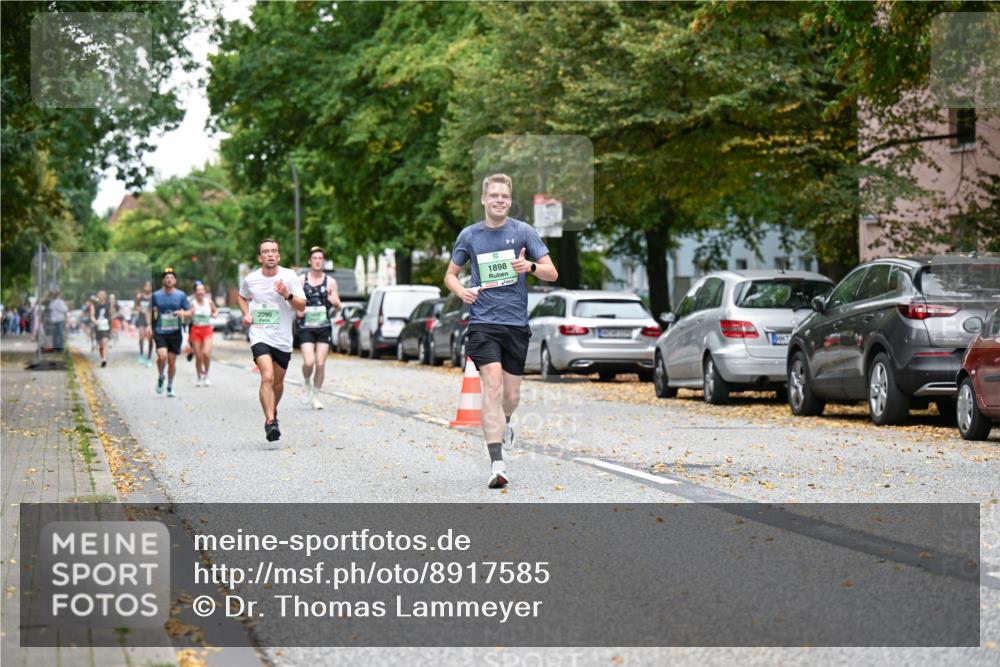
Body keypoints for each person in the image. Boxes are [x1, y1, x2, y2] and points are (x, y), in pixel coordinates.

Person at [444, 173, 558, 488]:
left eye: (504, 197)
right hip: (482, 323)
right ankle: (497, 463)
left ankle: (505, 422)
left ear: (510, 200)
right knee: (491, 387)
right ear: (484, 199)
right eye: (494, 196)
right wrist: (461, 292)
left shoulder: (524, 232)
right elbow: (451, 275)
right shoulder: (469, 236)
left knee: (511, 394)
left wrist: (530, 267)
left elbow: (552, 272)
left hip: (516, 325)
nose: (499, 201)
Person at [239, 239, 306, 442]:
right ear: (260, 257)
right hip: (260, 335)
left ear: (278, 256)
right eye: (266, 252)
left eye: (274, 251)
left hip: (283, 339)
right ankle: (270, 422)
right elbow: (242, 297)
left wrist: (287, 295)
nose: (270, 254)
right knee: (266, 376)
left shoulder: (289, 276)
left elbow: (302, 305)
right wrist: (246, 314)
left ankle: (273, 410)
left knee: (278, 382)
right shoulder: (251, 279)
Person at [297, 246, 340, 410]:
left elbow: (337, 307)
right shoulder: (302, 280)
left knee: (320, 363)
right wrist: (299, 311)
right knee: (309, 362)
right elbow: (294, 302)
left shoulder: (330, 282)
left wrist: (336, 304)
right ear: (310, 261)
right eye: (314, 258)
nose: (317, 261)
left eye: (320, 258)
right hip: (306, 326)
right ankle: (307, 381)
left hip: (324, 327)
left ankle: (315, 395)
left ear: (324, 261)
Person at [147, 268, 191, 397]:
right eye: (167, 277)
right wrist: (149, 326)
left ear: (175, 280)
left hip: (175, 332)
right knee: (162, 356)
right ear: (163, 280)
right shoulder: (156, 295)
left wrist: (181, 313)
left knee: (172, 361)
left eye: (171, 277)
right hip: (160, 330)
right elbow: (149, 310)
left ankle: (170, 385)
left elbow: (189, 312)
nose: (169, 279)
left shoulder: (181, 295)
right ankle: (161, 376)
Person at [188, 280, 218, 386]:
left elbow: (215, 310)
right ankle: (199, 377)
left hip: (207, 330)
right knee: (199, 356)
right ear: (195, 292)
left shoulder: (209, 302)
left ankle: (206, 375)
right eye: (198, 290)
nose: (200, 291)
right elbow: (186, 314)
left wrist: (215, 314)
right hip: (195, 330)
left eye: (202, 289)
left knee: (206, 353)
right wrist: (189, 313)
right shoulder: (192, 303)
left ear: (204, 291)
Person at [88, 290, 116, 367]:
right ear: (98, 296)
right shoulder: (94, 305)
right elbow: (92, 315)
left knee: (105, 341)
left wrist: (111, 324)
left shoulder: (108, 304)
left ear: (105, 296)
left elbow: (112, 314)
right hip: (98, 326)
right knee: (101, 345)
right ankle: (103, 357)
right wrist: (95, 321)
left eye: (103, 295)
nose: (101, 296)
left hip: (106, 326)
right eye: (100, 295)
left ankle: (104, 359)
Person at [135, 282, 154, 366]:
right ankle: (141, 353)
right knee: (141, 337)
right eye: (146, 286)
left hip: (150, 320)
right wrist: (140, 309)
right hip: (142, 319)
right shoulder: (140, 297)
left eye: (149, 286)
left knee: (150, 338)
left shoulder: (153, 297)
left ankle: (149, 357)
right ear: (144, 287)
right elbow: (135, 306)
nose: (147, 287)